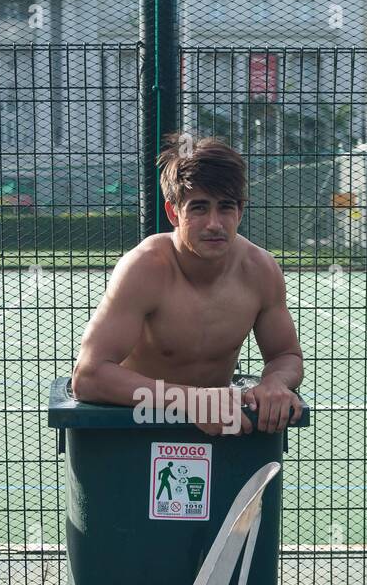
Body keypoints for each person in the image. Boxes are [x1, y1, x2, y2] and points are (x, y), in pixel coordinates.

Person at [71, 135, 303, 435]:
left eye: (226, 207)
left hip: (219, 430)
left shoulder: (260, 270)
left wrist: (274, 383)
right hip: (137, 425)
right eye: (199, 208)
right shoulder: (143, 269)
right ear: (173, 213)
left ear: (240, 211)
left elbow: (286, 355)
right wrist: (190, 400)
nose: (214, 224)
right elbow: (88, 377)